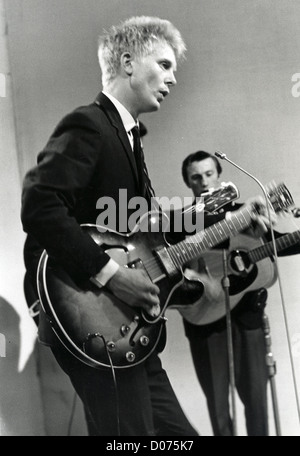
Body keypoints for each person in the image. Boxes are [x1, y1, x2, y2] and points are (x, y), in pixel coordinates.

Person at [21, 16, 270, 436]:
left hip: (130, 329)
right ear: (128, 62)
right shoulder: (90, 124)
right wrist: (114, 276)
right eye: (166, 65)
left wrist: (229, 216)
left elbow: (140, 227)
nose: (173, 79)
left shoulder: (129, 136)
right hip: (95, 321)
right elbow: (40, 205)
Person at [180, 150, 300, 436]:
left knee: (257, 402)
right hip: (205, 321)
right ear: (188, 183)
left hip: (248, 319)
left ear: (220, 176)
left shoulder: (245, 212)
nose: (205, 182)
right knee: (219, 408)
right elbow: (168, 264)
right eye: (196, 177)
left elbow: (282, 243)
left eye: (209, 174)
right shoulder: (181, 221)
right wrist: (194, 277)